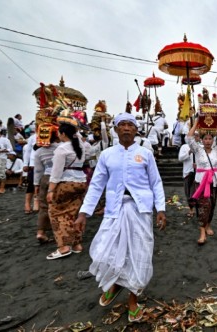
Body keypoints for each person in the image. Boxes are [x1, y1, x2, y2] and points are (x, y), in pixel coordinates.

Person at [75, 113, 166, 323]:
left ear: (136, 130)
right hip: (114, 210)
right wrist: (83, 213)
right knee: (105, 251)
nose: (126, 128)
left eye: (130, 125)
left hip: (140, 210)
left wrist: (160, 209)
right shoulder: (107, 155)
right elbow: (97, 184)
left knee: (139, 253)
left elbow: (156, 182)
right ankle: (114, 284)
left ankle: (133, 300)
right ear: (116, 130)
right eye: (122, 125)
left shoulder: (145, 153)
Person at [46, 119, 87, 260]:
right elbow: (79, 136)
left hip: (66, 183)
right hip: (81, 181)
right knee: (75, 212)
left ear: (63, 134)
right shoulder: (80, 146)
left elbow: (56, 173)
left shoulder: (62, 149)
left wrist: (51, 190)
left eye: (59, 132)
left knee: (57, 213)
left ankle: (63, 246)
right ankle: (77, 244)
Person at [187, 121, 217, 245]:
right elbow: (189, 138)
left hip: (214, 182)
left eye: (210, 139)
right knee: (202, 206)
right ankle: (202, 232)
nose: (208, 141)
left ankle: (208, 224)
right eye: (206, 139)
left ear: (213, 140)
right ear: (202, 140)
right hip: (200, 182)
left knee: (212, 205)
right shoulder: (198, 150)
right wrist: (196, 123)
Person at [33, 131, 59, 244]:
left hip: (45, 178)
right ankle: (58, 232)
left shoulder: (39, 152)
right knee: (59, 206)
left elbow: (38, 171)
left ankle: (40, 232)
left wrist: (36, 185)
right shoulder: (60, 148)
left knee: (44, 207)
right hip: (59, 178)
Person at [178, 132, 198, 217]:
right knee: (188, 192)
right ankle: (191, 209)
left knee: (195, 192)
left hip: (198, 172)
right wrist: (189, 152)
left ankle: (195, 209)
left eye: (197, 136)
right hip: (187, 172)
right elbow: (180, 158)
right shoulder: (184, 147)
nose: (196, 137)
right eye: (194, 136)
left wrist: (198, 165)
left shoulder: (200, 147)